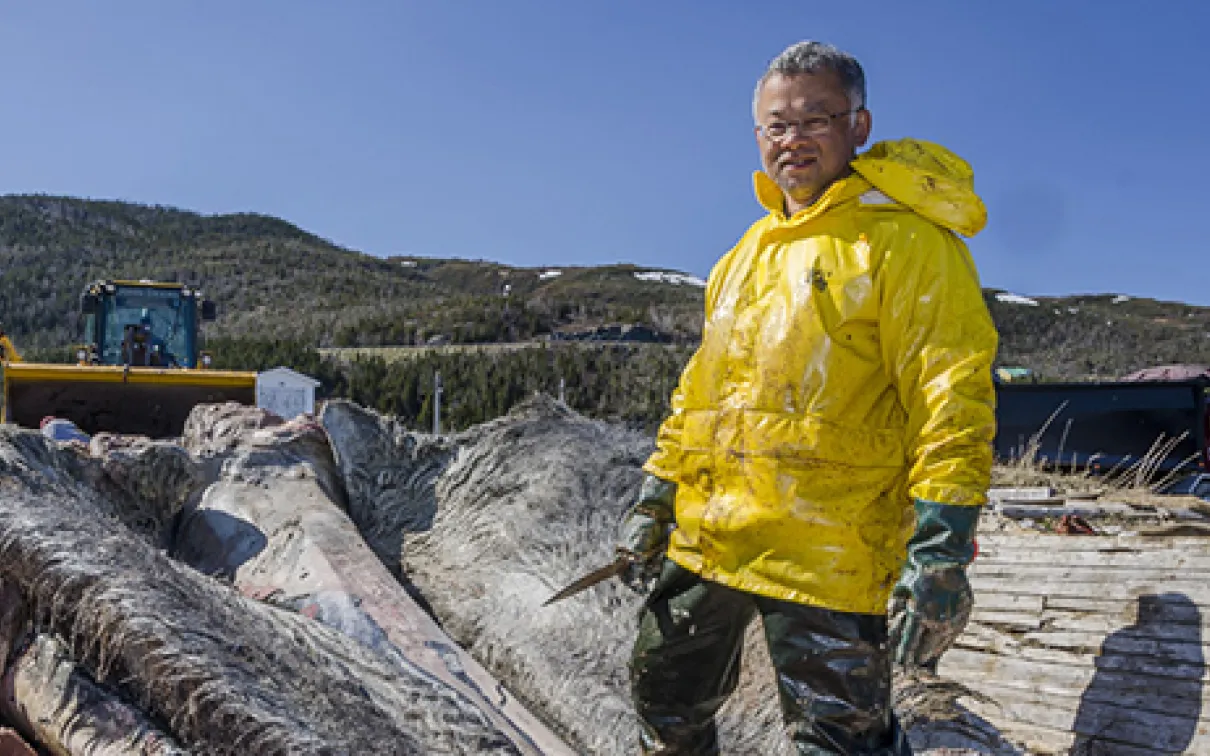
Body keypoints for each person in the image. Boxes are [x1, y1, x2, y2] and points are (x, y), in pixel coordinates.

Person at [618, 40, 998, 755]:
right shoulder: (743, 255)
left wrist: (941, 547)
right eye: (776, 125)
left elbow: (952, 394)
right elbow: (700, 393)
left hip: (832, 547)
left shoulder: (906, 243)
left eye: (814, 119)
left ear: (859, 126)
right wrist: (656, 492)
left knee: (840, 738)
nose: (792, 140)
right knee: (663, 699)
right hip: (715, 534)